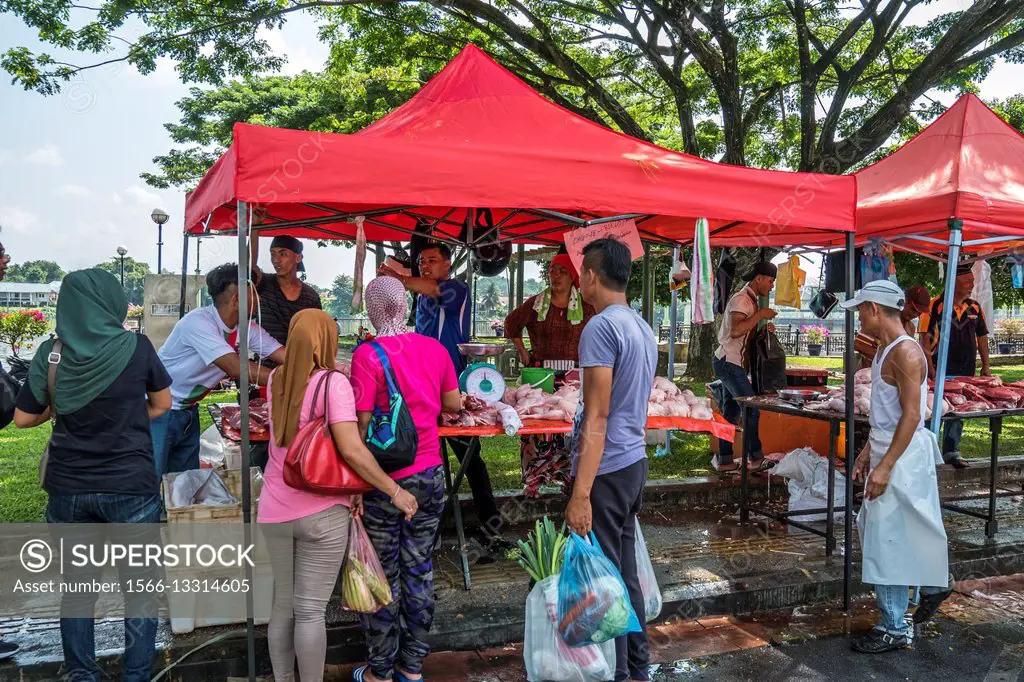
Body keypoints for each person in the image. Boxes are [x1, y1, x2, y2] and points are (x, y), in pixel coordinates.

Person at [14, 268, 173, 681]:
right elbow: (162, 403)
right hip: (131, 489)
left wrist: (59, 405)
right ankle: (136, 676)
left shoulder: (51, 352)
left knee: (78, 589)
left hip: (69, 489)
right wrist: (126, 418)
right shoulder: (137, 348)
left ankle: (82, 674)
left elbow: (23, 418)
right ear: (110, 302)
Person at [259, 308, 418, 682]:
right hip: (321, 512)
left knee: (282, 607)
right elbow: (352, 449)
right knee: (311, 611)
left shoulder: (275, 379)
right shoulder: (333, 384)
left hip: (273, 508)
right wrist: (393, 490)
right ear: (327, 340)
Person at [348, 276, 462, 682]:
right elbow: (452, 403)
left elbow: (359, 430)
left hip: (385, 482)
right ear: (404, 305)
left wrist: (357, 487)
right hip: (430, 476)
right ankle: (412, 667)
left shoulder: (367, 355)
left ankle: (380, 669)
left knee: (383, 573)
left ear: (374, 309)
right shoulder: (434, 348)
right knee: (420, 569)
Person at [565, 238, 656, 682]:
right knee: (624, 575)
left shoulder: (600, 328)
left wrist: (581, 492)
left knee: (606, 584)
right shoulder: (640, 324)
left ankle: (618, 673)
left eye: (582, 271)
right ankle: (638, 668)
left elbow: (597, 415)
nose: (579, 278)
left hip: (608, 465)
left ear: (592, 277)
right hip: (633, 461)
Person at [842, 280, 950, 653]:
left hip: (902, 456)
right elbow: (888, 416)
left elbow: (911, 415)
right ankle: (934, 584)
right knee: (896, 530)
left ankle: (894, 625)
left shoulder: (905, 353)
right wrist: (869, 450)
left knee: (886, 539)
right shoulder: (885, 350)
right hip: (892, 448)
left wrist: (885, 465)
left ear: (874, 309)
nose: (859, 316)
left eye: (861, 309)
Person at [379, 244, 506, 552]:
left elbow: (433, 287)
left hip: (452, 388)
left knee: (470, 460)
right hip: (420, 388)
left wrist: (396, 278)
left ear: (448, 264)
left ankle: (491, 525)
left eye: (432, 261)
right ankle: (425, 528)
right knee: (423, 458)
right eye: (422, 261)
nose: (425, 265)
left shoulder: (456, 289)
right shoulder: (422, 298)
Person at [151, 263, 286, 477]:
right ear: (237, 299)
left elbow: (284, 355)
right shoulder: (198, 322)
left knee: (185, 481)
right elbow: (235, 367)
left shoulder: (246, 329)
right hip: (159, 410)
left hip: (188, 410)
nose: (259, 301)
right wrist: (292, 380)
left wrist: (318, 370)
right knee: (151, 477)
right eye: (254, 295)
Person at [504, 253, 595, 495]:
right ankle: (534, 479)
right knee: (536, 425)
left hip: (573, 377)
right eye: (552, 271)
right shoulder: (536, 304)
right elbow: (511, 322)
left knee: (570, 425)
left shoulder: (587, 306)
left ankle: (569, 478)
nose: (555, 276)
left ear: (573, 277)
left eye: (561, 272)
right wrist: (522, 349)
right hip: (540, 376)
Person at [711, 261, 778, 472]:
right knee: (751, 409)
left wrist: (763, 328)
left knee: (731, 412)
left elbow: (745, 333)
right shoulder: (742, 300)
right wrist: (760, 316)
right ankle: (755, 458)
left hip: (732, 363)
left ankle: (725, 459)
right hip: (728, 362)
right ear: (758, 278)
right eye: (770, 281)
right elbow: (735, 331)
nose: (771, 286)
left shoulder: (750, 300)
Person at [925, 264, 991, 468]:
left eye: (972, 281)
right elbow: (925, 339)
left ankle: (951, 451)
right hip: (941, 368)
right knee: (934, 409)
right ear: (955, 282)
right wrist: (930, 367)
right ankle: (928, 450)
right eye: (968, 281)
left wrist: (986, 365)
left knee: (958, 409)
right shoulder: (935, 305)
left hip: (966, 369)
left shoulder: (975, 308)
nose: (972, 284)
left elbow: (982, 338)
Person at [251, 233, 323, 346]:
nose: (276, 260)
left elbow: (316, 335)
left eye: (283, 254)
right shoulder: (263, 283)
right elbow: (248, 269)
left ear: (298, 257)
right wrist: (254, 228)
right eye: (272, 254)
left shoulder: (311, 297)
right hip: (264, 361)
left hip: (300, 360)